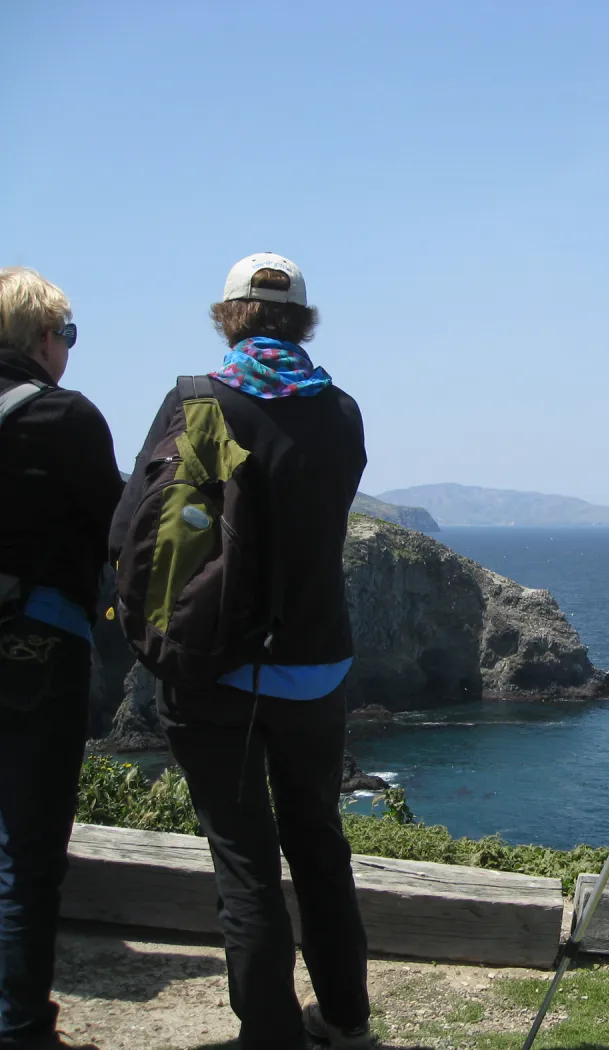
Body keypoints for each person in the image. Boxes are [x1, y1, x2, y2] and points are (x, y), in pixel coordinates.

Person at [110, 254, 374, 1050]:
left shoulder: (196, 401)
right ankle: (347, 1020)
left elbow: (135, 527)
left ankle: (268, 1035)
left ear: (229, 316)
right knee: (319, 842)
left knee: (245, 863)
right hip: (314, 664)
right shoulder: (342, 411)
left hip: (214, 666)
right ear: (303, 318)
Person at [0, 268, 123, 1049]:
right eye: (66, 335)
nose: (68, 350)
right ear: (42, 339)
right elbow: (119, 528)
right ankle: (20, 1030)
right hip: (34, 646)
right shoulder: (64, 417)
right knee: (26, 851)